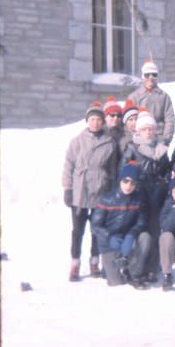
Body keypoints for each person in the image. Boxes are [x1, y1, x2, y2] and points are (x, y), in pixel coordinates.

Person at [62, 101, 119, 281]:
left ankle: (95, 262)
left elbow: (112, 171)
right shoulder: (77, 141)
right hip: (80, 191)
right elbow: (68, 165)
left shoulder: (109, 143)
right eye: (92, 119)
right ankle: (75, 264)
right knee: (77, 230)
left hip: (100, 191)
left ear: (103, 121)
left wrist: (111, 193)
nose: (95, 123)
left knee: (96, 229)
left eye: (99, 120)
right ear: (87, 121)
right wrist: (67, 188)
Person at [119, 108, 171, 282]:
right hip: (139, 195)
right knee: (140, 233)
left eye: (151, 129)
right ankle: (136, 268)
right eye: (145, 129)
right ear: (139, 131)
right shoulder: (132, 148)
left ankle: (152, 268)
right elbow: (124, 171)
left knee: (155, 231)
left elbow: (167, 170)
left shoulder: (161, 149)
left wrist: (164, 183)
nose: (148, 132)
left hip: (157, 196)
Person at [90, 161, 151, 289]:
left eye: (133, 182)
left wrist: (131, 235)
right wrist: (109, 237)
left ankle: (134, 273)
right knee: (115, 282)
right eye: (125, 181)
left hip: (127, 239)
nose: (128, 185)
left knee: (145, 237)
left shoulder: (139, 199)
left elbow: (142, 221)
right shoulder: (107, 199)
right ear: (120, 180)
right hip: (110, 242)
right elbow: (95, 226)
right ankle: (109, 265)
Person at [127, 59, 175, 146]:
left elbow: (170, 119)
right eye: (147, 75)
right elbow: (129, 120)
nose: (151, 77)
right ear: (143, 76)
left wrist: (166, 139)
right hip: (139, 140)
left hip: (159, 140)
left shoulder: (164, 96)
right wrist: (134, 137)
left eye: (154, 74)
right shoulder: (134, 97)